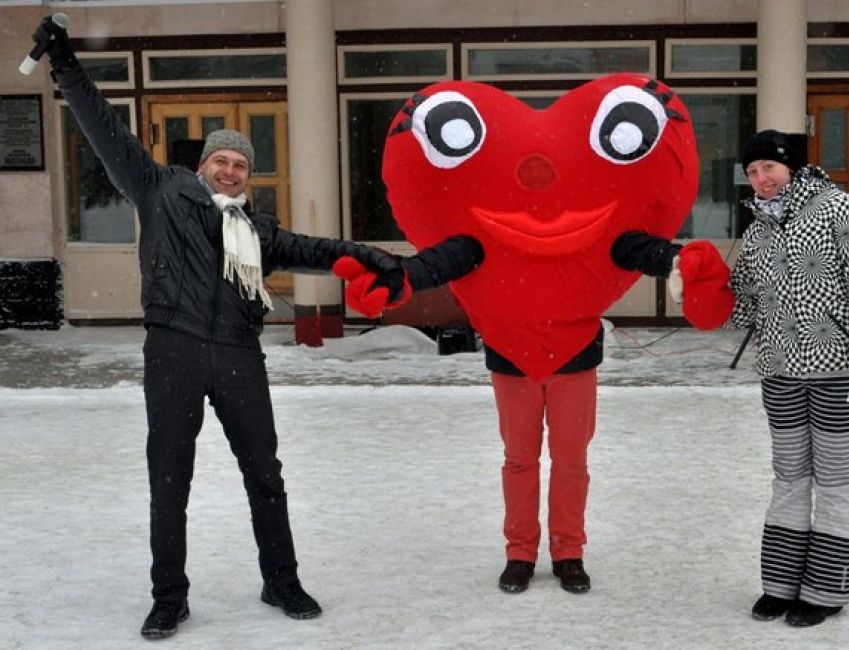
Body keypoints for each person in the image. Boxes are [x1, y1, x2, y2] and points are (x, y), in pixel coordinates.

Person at [29, 16, 404, 640]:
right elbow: (104, 130)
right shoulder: (158, 190)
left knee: (266, 473)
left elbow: (316, 248)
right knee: (170, 479)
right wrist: (66, 65)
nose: (230, 170)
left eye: (240, 164)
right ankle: (169, 596)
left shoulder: (257, 233)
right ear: (204, 165)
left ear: (248, 176)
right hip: (173, 350)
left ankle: (280, 579)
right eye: (221, 160)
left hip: (237, 355)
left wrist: (372, 256)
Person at [335, 72, 735, 596]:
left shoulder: (600, 230)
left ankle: (569, 551)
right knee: (520, 460)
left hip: (575, 356)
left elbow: (637, 247)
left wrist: (682, 263)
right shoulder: (478, 238)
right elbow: (440, 261)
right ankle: (519, 552)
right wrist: (394, 280)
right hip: (511, 356)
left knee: (572, 462)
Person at [729, 129, 849, 627]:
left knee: (835, 479)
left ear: (792, 167)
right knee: (789, 477)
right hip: (779, 371)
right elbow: (741, 299)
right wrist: (689, 291)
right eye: (753, 173)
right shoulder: (758, 228)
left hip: (839, 369)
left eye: (768, 169)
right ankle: (780, 585)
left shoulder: (840, 208)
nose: (760, 180)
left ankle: (825, 589)